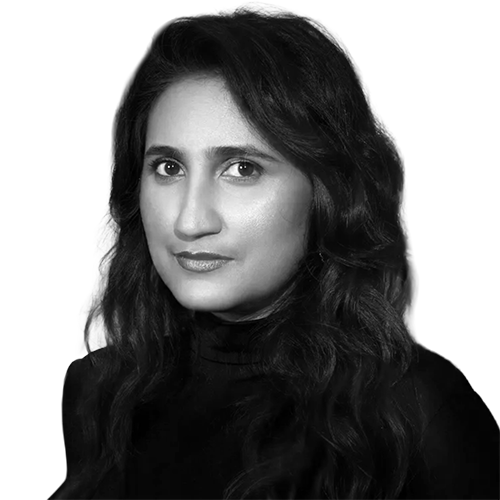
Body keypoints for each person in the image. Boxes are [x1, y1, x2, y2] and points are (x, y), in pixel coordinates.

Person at [55, 3, 500, 500]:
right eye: (168, 168)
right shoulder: (97, 393)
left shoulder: (414, 412)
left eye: (242, 169)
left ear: (327, 191)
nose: (190, 221)